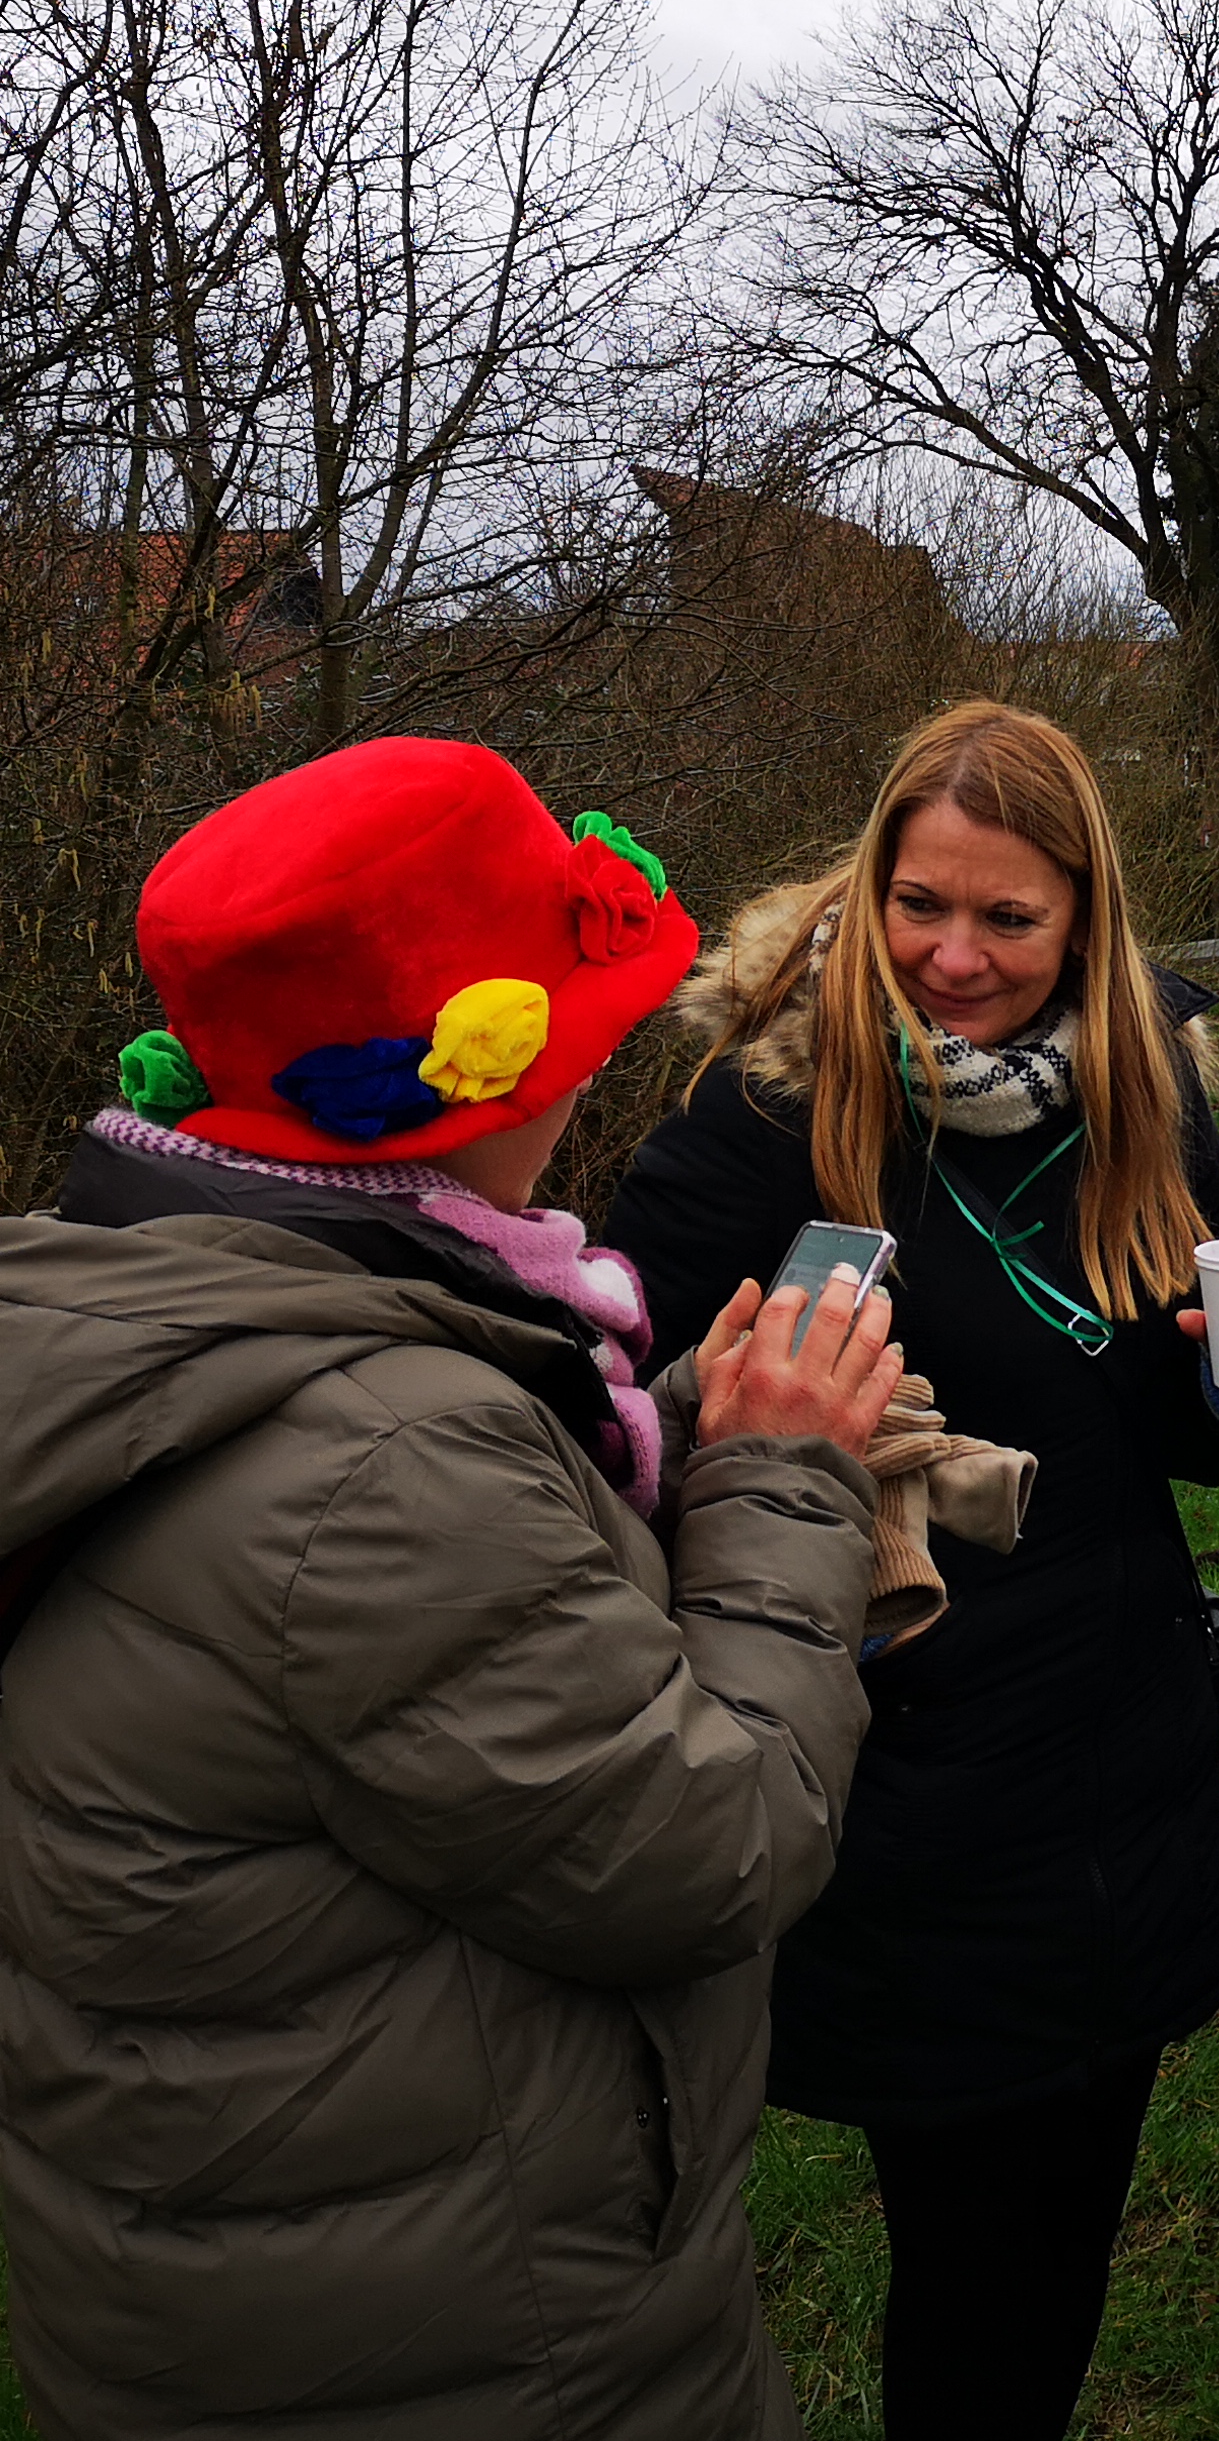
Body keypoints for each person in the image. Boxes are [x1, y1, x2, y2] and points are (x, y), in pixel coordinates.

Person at [0, 739, 892, 2440]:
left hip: (259, 2286)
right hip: (485, 2349)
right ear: (491, 1070)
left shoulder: (174, 1308)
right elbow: (702, 1848)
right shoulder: (386, 1464)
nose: (601, 1061)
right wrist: (790, 1480)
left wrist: (686, 1424)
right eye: (587, 1024)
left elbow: (439, 1626)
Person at [606, 700, 1219, 2441]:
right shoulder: (763, 1119)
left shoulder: (1142, 1090)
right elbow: (607, 1433)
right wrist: (756, 1432)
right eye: (920, 904)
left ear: (1083, 918)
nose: (954, 956)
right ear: (871, 885)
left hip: (1122, 1755)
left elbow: (1176, 1434)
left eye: (1009, 917)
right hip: (907, 1791)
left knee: (1064, 2240)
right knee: (976, 2275)